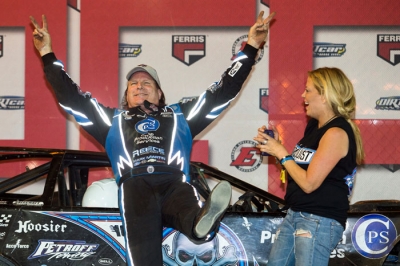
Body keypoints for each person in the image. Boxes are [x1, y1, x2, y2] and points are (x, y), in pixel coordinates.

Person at [30, 11, 276, 266]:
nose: (140, 85)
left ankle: (200, 223)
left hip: (173, 182)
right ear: (127, 94)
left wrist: (252, 46)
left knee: (188, 205)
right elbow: (71, 97)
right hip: (135, 188)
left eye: (147, 82)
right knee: (143, 260)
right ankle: (199, 225)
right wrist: (47, 52)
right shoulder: (111, 120)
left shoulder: (181, 114)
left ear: (159, 93)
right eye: (134, 83)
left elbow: (224, 90)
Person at [254, 67, 364, 266]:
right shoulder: (315, 126)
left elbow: (309, 184)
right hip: (296, 213)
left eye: (308, 90)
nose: (302, 95)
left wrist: (281, 152)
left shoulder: (337, 132)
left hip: (318, 219)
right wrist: (277, 149)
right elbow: (298, 173)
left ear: (324, 95)